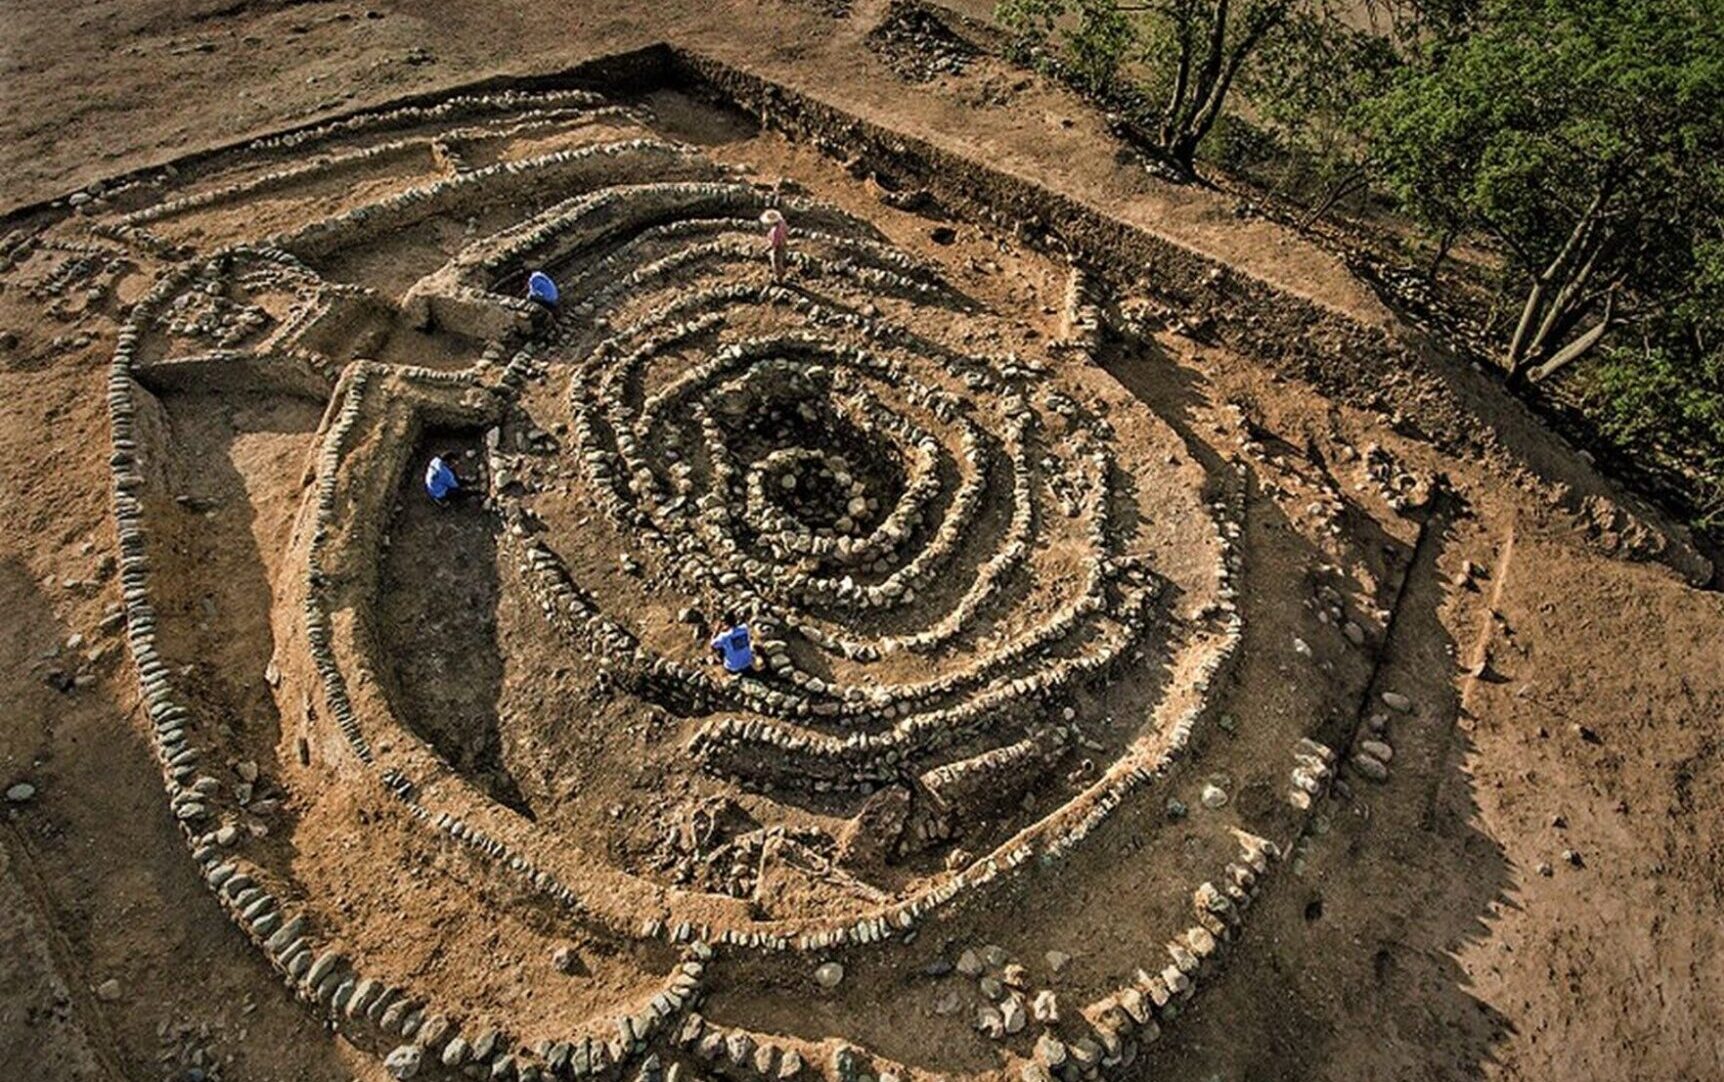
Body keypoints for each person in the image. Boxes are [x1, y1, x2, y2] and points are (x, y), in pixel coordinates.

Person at [761, 209, 788, 283]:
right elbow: (786, 231)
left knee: (776, 262)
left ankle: (779, 278)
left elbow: (773, 244)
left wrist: (765, 249)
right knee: (780, 259)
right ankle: (781, 272)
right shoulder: (782, 222)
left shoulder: (775, 232)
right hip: (783, 244)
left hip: (777, 248)